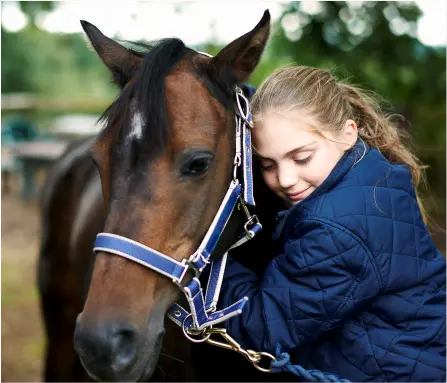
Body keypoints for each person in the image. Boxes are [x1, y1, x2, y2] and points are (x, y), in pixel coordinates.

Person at [218, 66, 446, 382]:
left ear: (347, 133)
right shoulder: (370, 174)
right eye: (268, 165)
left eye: (302, 158)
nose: (285, 179)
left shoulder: (336, 231)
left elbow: (261, 328)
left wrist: (211, 260)